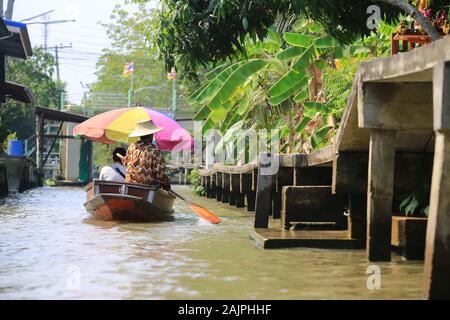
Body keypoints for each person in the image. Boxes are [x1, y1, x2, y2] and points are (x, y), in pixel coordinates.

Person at [122, 119, 171, 190]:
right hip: (147, 187)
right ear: (151, 135)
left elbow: (127, 163)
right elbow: (160, 173)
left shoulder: (132, 146)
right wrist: (166, 184)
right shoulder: (154, 149)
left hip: (129, 185)